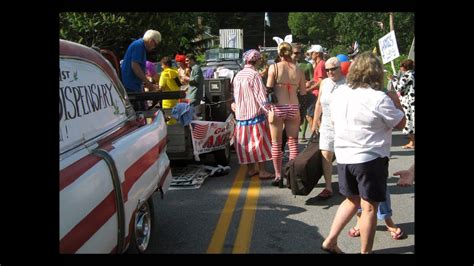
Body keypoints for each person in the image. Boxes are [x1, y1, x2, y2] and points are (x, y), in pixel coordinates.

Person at [321, 52, 406, 254]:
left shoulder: (340, 93)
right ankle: (365, 253)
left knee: (352, 200)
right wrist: (395, 99)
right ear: (376, 73)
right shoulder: (378, 98)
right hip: (369, 158)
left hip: (343, 156)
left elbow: (333, 121)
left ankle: (330, 240)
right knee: (369, 207)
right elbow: (400, 122)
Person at [266, 42, 306, 187]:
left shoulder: (274, 67)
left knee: (276, 144)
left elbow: (269, 89)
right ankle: (291, 175)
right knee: (293, 143)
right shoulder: (299, 70)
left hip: (278, 107)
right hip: (294, 106)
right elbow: (303, 93)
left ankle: (278, 176)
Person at [231, 49, 275, 179]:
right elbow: (260, 96)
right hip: (255, 115)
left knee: (246, 144)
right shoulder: (254, 75)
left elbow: (235, 95)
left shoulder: (238, 75)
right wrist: (269, 111)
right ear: (257, 61)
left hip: (241, 116)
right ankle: (262, 170)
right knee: (259, 143)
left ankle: (251, 169)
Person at [311, 57, 346, 199]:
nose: (330, 72)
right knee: (326, 154)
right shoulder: (324, 83)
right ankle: (328, 187)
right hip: (326, 123)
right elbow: (319, 103)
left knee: (343, 156)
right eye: (327, 70)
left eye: (333, 69)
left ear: (340, 68)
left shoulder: (348, 83)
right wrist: (314, 122)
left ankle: (345, 186)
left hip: (343, 124)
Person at [121, 29, 161, 111]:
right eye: (155, 44)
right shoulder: (139, 46)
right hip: (131, 86)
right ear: (151, 41)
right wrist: (148, 83)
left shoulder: (140, 46)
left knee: (142, 110)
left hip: (134, 85)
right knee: (140, 113)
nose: (154, 47)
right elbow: (135, 66)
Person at [388, 59, 415, 149]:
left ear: (404, 67)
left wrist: (393, 80)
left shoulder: (407, 75)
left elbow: (399, 88)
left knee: (409, 120)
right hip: (413, 100)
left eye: (401, 66)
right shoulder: (413, 74)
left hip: (409, 101)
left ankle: (412, 142)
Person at [304, 44, 327, 136]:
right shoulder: (319, 64)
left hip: (317, 94)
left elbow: (321, 81)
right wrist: (310, 81)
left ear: (317, 54)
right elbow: (318, 79)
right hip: (316, 93)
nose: (311, 55)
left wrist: (309, 88)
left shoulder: (321, 64)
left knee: (310, 116)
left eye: (312, 53)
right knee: (314, 116)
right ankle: (318, 136)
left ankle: (317, 136)